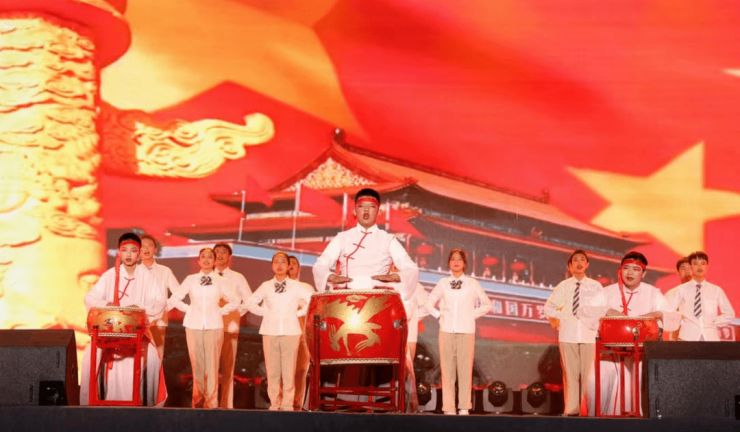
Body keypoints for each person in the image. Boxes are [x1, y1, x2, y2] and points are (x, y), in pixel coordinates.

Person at [585, 251, 680, 416]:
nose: (630, 273)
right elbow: (585, 310)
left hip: (641, 354)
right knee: (595, 382)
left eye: (636, 269)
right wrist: (607, 310)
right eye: (626, 268)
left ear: (644, 273)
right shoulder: (608, 292)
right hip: (611, 353)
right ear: (620, 270)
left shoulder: (652, 293)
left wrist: (657, 314)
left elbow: (674, 317)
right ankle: (600, 422)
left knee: (645, 381)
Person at [80, 232, 167, 406]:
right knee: (89, 356)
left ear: (139, 253)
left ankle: (147, 406)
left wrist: (140, 310)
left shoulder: (148, 277)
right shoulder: (109, 275)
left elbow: (160, 301)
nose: (128, 254)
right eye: (124, 250)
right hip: (109, 334)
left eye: (133, 250)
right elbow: (90, 298)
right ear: (119, 252)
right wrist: (108, 305)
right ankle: (90, 405)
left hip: (138, 334)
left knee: (152, 359)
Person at [312, 188, 419, 298]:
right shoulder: (342, 238)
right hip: (344, 296)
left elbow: (411, 268)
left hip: (378, 298)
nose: (366, 210)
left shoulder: (388, 240)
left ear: (378, 212)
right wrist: (331, 276)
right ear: (354, 211)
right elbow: (320, 265)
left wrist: (395, 277)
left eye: (372, 206)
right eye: (361, 206)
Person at [169, 248, 240, 408]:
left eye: (210, 257)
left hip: (214, 325)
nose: (206, 260)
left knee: (212, 366)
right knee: (197, 366)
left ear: (214, 261)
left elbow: (235, 301)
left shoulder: (220, 281)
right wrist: (189, 309)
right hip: (193, 325)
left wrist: (221, 311)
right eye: (203, 257)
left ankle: (212, 403)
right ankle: (198, 401)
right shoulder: (191, 279)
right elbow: (174, 299)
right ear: (199, 261)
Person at [426, 249, 492, 416]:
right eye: (453, 259)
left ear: (464, 263)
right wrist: (439, 315)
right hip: (446, 330)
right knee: (447, 371)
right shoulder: (443, 283)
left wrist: (471, 315)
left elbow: (487, 304)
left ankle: (464, 406)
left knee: (465, 370)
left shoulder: (472, 283)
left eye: (459, 259)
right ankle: (448, 407)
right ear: (449, 263)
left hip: (466, 331)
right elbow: (428, 303)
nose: (456, 262)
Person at [246, 252, 314, 411]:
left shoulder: (297, 286)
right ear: (272, 265)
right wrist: (265, 312)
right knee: (272, 371)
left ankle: (288, 404)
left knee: (289, 370)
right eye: (276, 262)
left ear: (288, 266)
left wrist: (298, 313)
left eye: (283, 262)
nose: (279, 265)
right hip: (270, 331)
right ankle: (275, 403)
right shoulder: (266, 286)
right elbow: (250, 303)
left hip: (291, 331)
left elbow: (313, 299)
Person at [544, 250, 605, 416]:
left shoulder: (595, 286)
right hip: (568, 335)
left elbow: (601, 310)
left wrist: (592, 322)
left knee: (588, 375)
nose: (579, 263)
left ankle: (588, 410)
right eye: (575, 260)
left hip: (588, 335)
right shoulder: (563, 286)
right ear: (569, 266)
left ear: (587, 264)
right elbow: (548, 308)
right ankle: (571, 411)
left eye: (582, 260)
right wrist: (563, 316)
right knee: (570, 375)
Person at [213, 242, 251, 409]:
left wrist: (236, 314)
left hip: (230, 327)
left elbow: (249, 300)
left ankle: (226, 405)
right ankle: (210, 403)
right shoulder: (207, 277)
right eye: (217, 252)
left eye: (223, 252)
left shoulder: (237, 277)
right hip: (210, 327)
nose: (220, 255)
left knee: (228, 369)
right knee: (210, 368)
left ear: (229, 256)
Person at [666, 251, 735, 341]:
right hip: (687, 338)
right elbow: (666, 311)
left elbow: (729, 314)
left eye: (703, 263)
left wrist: (713, 322)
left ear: (707, 267)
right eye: (695, 264)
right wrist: (680, 321)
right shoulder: (680, 290)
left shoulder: (716, 290)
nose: (699, 267)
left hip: (710, 338)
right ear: (691, 267)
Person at [139, 234, 180, 360]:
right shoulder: (133, 271)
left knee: (157, 354)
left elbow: (178, 292)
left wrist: (165, 307)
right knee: (140, 354)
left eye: (149, 246)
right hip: (138, 318)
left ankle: (156, 374)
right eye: (143, 246)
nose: (146, 249)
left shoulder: (164, 271)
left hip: (159, 319)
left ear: (155, 249)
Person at [287, 255, 316, 411]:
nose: (291, 265)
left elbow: (314, 307)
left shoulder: (305, 288)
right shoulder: (277, 287)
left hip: (302, 335)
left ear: (298, 269)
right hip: (283, 333)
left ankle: (297, 404)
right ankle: (282, 403)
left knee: (301, 370)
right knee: (283, 370)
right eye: (288, 263)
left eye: (294, 263)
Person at [663, 257, 692, 341]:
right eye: (683, 269)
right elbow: (665, 319)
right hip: (678, 339)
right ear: (678, 272)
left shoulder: (705, 293)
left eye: (690, 268)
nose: (687, 272)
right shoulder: (671, 294)